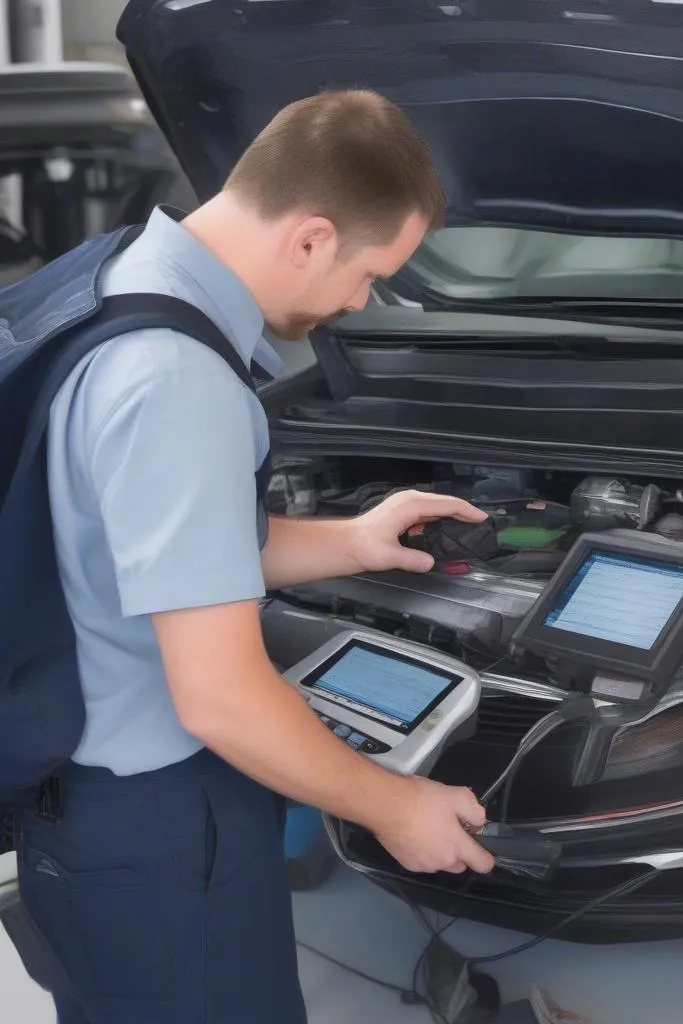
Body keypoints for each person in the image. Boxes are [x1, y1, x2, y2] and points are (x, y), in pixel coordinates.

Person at [17, 89, 494, 1024]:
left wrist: (355, 540)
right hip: (153, 824)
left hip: (81, 799)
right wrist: (394, 806)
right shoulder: (176, 382)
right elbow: (223, 696)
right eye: (370, 274)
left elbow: (157, 551)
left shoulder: (113, 276)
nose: (361, 303)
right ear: (312, 237)